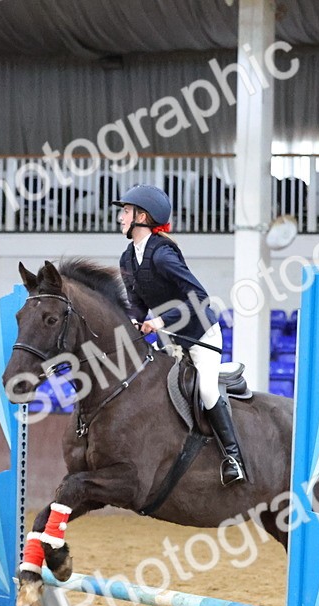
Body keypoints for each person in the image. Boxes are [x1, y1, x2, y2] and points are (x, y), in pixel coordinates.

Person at [112, 184, 244, 485]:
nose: (121, 217)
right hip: (170, 340)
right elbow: (137, 304)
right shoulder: (127, 259)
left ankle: (233, 457)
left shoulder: (162, 255)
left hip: (201, 335)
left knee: (208, 391)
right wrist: (134, 321)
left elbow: (199, 296)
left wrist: (159, 321)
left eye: (126, 211)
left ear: (141, 217)